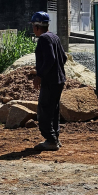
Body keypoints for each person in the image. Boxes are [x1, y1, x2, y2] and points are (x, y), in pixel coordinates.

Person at [30, 11, 67, 151]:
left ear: (37, 26)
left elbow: (51, 59)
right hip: (59, 80)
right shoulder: (54, 37)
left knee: (44, 110)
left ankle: (51, 140)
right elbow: (63, 58)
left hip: (50, 82)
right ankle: (55, 138)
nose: (33, 29)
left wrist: (40, 75)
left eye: (33, 26)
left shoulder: (44, 39)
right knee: (53, 110)